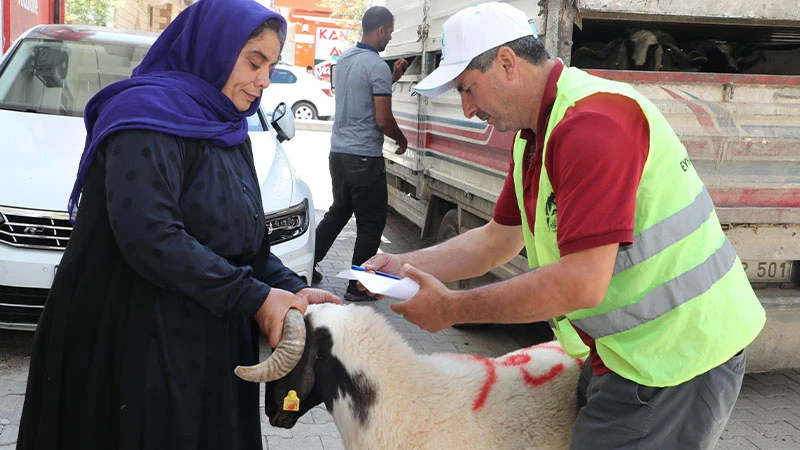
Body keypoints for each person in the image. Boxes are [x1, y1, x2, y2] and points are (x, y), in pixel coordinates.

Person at [364, 2, 766, 449]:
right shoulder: (537, 134)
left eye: (468, 89)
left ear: (506, 63)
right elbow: (497, 241)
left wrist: (452, 310)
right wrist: (403, 265)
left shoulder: (591, 125)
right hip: (629, 354)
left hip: (678, 357)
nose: (468, 109)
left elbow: (581, 284)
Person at [17, 1, 341, 449]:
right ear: (214, 49)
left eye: (271, 65)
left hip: (207, 342)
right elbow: (150, 236)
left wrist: (289, 288)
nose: (264, 80)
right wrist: (256, 298)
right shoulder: (146, 117)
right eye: (254, 62)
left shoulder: (227, 126)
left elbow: (245, 244)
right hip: (137, 348)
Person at [312, 5, 409, 301]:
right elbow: (382, 118)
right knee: (371, 222)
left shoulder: (345, 60)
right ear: (380, 30)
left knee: (339, 210)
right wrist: (401, 139)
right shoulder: (375, 65)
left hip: (338, 154)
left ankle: (304, 264)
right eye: (390, 33)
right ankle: (358, 287)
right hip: (364, 158)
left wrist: (391, 77)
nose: (390, 39)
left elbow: (362, 98)